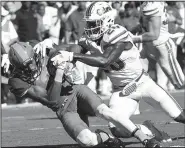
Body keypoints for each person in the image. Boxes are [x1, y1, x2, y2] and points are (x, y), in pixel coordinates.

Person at [49, 2, 185, 147]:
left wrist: (71, 56)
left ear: (107, 20)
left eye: (94, 23)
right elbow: (77, 49)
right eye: (89, 23)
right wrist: (66, 59)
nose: (90, 27)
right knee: (116, 129)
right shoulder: (89, 37)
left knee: (179, 116)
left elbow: (105, 60)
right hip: (121, 91)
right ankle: (148, 129)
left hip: (143, 83)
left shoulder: (116, 33)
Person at [7, 41, 127, 148]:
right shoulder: (16, 81)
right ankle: (105, 137)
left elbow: (76, 46)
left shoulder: (42, 50)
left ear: (34, 54)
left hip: (76, 90)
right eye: (24, 66)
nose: (31, 67)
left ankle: (142, 135)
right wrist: (59, 72)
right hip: (63, 107)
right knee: (86, 141)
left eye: (31, 62)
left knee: (106, 113)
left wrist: (70, 60)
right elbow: (51, 100)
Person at [130, 2, 184, 89]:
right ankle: (136, 86)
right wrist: (130, 32)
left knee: (179, 83)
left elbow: (154, 35)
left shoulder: (152, 5)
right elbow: (145, 25)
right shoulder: (145, 4)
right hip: (148, 44)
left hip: (161, 46)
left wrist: (131, 39)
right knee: (137, 70)